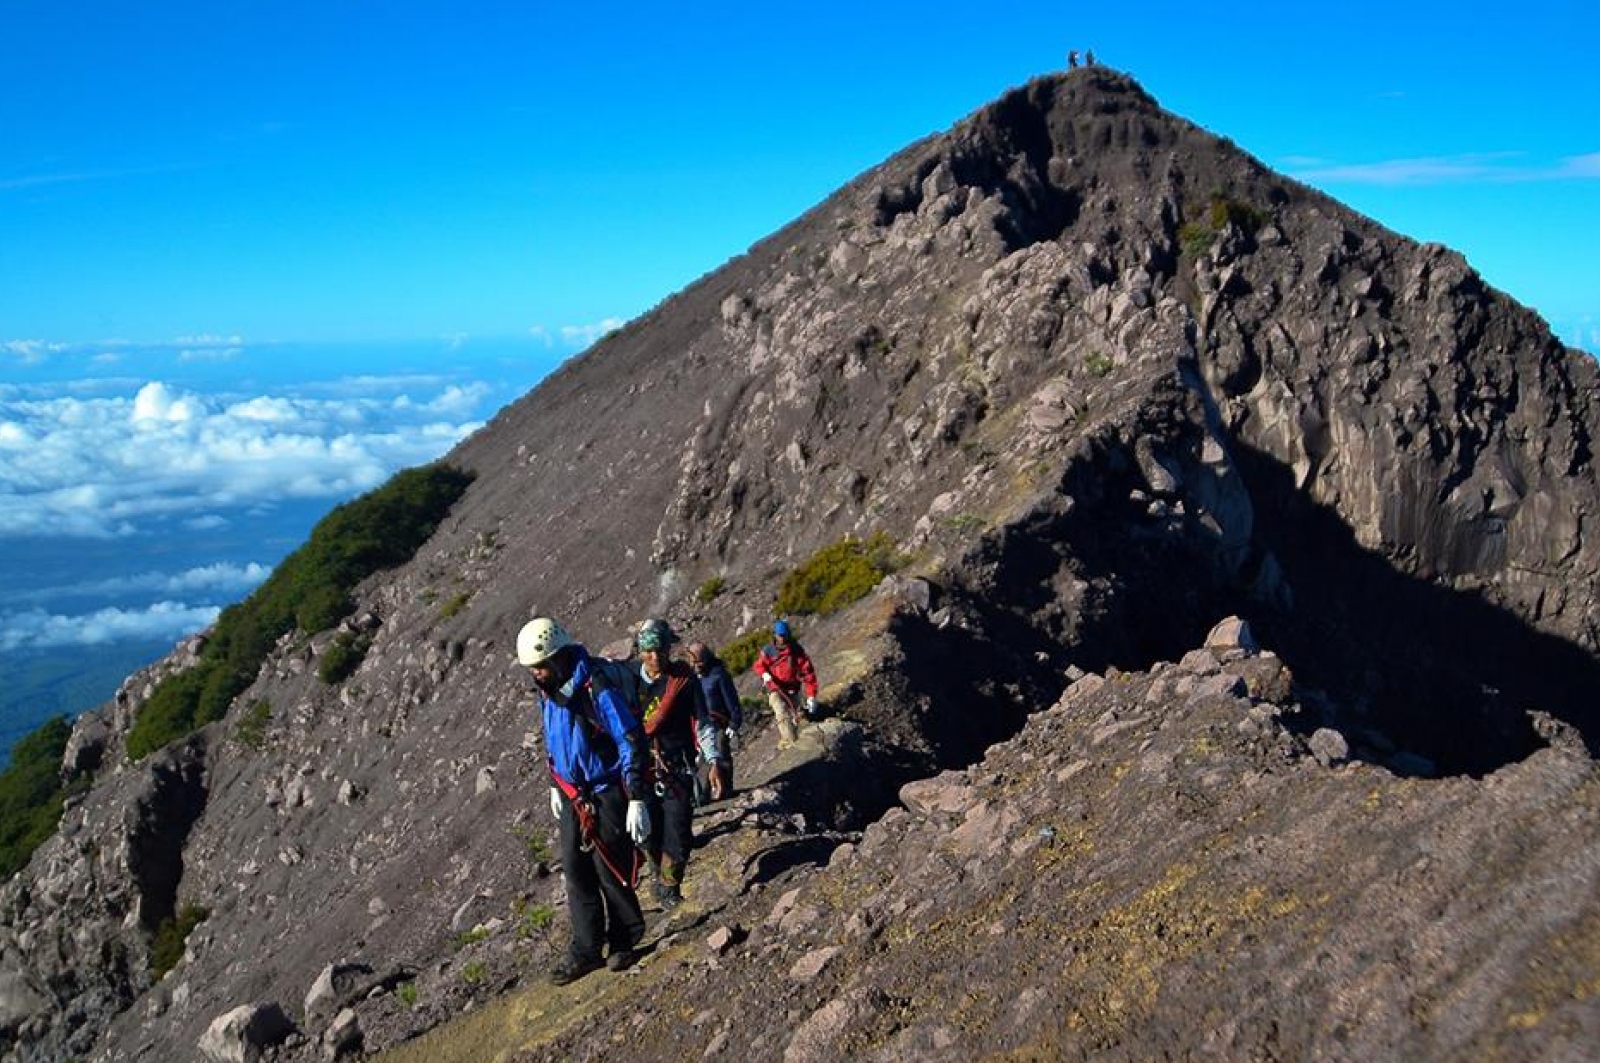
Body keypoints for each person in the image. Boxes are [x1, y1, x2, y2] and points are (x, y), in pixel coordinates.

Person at [517, 616, 651, 985]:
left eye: (540, 667)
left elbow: (630, 738)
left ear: (558, 657)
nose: (537, 674)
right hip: (572, 791)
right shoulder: (549, 690)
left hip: (606, 787)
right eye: (533, 669)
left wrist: (636, 795)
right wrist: (554, 783)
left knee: (610, 867)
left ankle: (626, 935)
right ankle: (586, 948)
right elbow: (553, 740)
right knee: (576, 873)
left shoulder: (596, 686)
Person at [633, 618, 710, 910]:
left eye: (661, 650)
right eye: (649, 651)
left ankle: (669, 886)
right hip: (642, 769)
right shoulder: (628, 680)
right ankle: (656, 869)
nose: (656, 657)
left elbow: (702, 720)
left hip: (676, 767)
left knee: (678, 832)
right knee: (650, 833)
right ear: (641, 651)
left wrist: (712, 756)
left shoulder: (683, 680)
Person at [751, 619, 820, 748]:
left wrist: (811, 696)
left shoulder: (797, 651)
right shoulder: (768, 651)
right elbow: (759, 665)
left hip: (793, 689)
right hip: (775, 688)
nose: (782, 638)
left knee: (795, 718)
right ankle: (790, 744)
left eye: (784, 635)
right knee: (781, 712)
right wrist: (764, 674)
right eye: (779, 635)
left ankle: (793, 740)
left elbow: (808, 673)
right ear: (775, 635)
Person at [687, 641, 742, 801]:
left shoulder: (719, 675)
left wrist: (734, 722)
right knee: (703, 760)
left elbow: (732, 700)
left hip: (719, 724)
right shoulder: (692, 679)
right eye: (693, 662)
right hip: (701, 725)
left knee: (720, 754)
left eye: (698, 662)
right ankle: (703, 794)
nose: (695, 665)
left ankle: (725, 789)